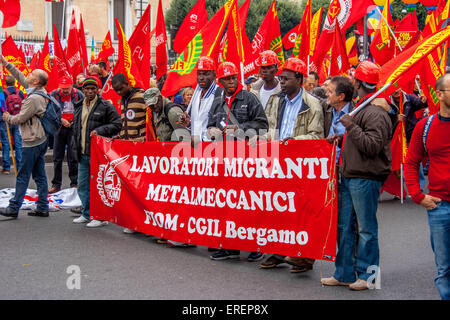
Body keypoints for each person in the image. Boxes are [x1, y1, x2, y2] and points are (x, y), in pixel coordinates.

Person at [321, 61, 392, 291]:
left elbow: (372, 146)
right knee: (345, 226)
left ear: (358, 82)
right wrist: (341, 138)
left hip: (365, 177)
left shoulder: (375, 112)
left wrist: (350, 127)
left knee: (366, 229)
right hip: (350, 174)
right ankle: (344, 273)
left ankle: (369, 277)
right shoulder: (362, 108)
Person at [259, 57, 324, 273]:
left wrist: (294, 143)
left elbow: (317, 137)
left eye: (286, 79)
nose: (282, 82)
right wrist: (262, 139)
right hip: (277, 163)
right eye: (281, 78)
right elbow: (269, 128)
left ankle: (305, 258)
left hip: (299, 165)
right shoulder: (275, 101)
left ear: (299, 79)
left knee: (302, 212)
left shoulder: (313, 104)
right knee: (278, 210)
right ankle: (278, 252)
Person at [207, 61, 268, 262]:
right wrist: (211, 130)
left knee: (248, 204)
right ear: (221, 81)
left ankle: (254, 246)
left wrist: (240, 128)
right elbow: (210, 124)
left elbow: (262, 125)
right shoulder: (217, 101)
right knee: (227, 204)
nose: (231, 81)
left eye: (233, 77)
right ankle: (230, 247)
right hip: (223, 159)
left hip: (246, 160)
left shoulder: (249, 98)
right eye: (227, 79)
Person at [404, 73, 450, 300]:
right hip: (439, 206)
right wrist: (417, 195)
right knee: (444, 269)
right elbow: (411, 162)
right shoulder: (425, 126)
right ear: (439, 95)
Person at [0, 56, 50, 219]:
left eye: (32, 74)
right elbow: (20, 76)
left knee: (23, 175)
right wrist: (5, 63)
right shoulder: (39, 91)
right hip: (40, 139)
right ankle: (43, 206)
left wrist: (7, 117)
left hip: (32, 141)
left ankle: (14, 207)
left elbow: (20, 118)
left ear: (35, 82)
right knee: (40, 175)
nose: (28, 74)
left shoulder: (34, 98)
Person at [71, 77, 121, 228]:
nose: (90, 91)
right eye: (87, 89)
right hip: (82, 152)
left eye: (93, 89)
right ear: (83, 90)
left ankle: (100, 216)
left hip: (98, 153)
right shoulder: (79, 105)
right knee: (83, 185)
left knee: (98, 186)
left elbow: (118, 123)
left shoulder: (105, 106)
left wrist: (100, 130)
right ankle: (87, 214)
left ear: (98, 90)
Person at [111, 73, 147, 234]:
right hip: (127, 150)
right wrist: (121, 136)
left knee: (141, 187)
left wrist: (143, 139)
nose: (119, 92)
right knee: (129, 187)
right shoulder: (124, 100)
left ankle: (143, 221)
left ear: (127, 83)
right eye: (116, 90)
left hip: (140, 150)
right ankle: (134, 220)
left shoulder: (141, 97)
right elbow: (127, 122)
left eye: (121, 88)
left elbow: (149, 119)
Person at [48, 76, 85, 194]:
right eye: (63, 88)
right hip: (59, 127)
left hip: (73, 127)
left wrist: (75, 120)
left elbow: (83, 109)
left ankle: (74, 182)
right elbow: (50, 111)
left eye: (67, 88)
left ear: (71, 86)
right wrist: (60, 119)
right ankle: (56, 184)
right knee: (57, 157)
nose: (65, 91)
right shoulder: (54, 94)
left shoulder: (78, 94)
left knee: (73, 156)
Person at [177, 56, 221, 144]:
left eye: (205, 74)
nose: (201, 78)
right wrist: (188, 124)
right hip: (197, 148)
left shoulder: (220, 95)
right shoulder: (196, 94)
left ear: (214, 74)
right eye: (199, 74)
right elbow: (198, 123)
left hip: (213, 148)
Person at [1, 75, 24, 174]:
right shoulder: (20, 92)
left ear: (6, 83)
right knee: (18, 142)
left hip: (6, 119)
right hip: (17, 118)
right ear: (15, 82)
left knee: (6, 142)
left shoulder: (3, 93)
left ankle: (6, 167)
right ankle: (19, 166)